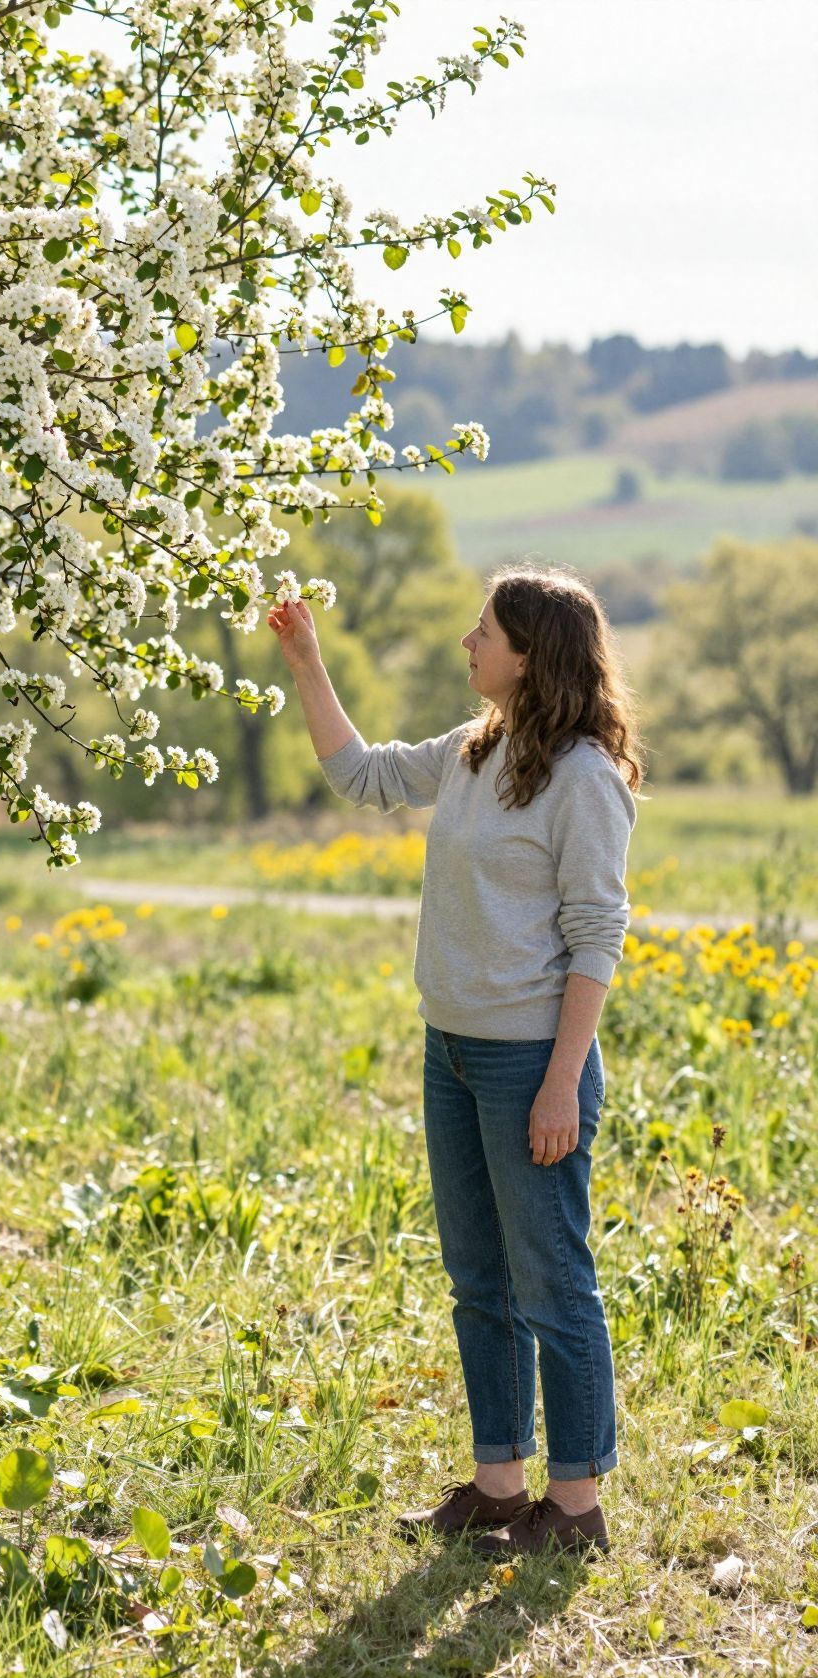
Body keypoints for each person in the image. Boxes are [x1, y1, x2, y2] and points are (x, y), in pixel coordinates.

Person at [269, 568, 641, 1555]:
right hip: (454, 1052)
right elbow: (361, 773)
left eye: (482, 631)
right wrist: (308, 662)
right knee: (478, 1275)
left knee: (552, 1278)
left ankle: (575, 1504)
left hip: (531, 1064)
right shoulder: (476, 750)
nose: (465, 644)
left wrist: (563, 1078)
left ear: (529, 654)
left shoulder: (585, 779)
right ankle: (497, 1481)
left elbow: (598, 936)